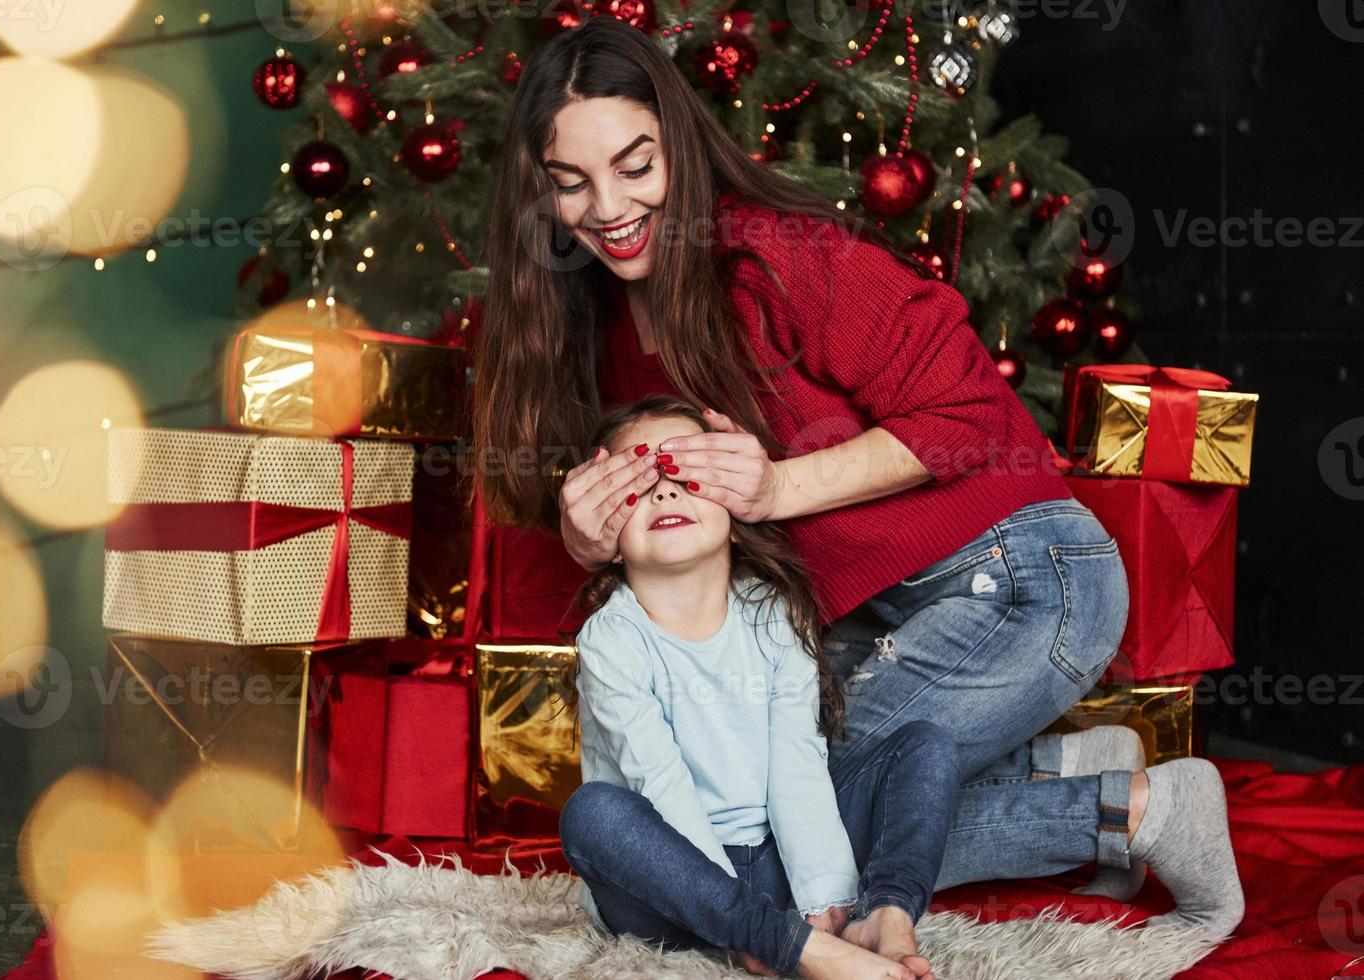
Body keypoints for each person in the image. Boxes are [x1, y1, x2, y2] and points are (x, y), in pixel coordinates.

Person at [473, 15, 1244, 946]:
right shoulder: (587, 323)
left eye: (635, 166)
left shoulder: (776, 257)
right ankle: (1058, 774)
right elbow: (641, 539)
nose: (607, 208)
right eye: (570, 183)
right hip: (860, 623)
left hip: (1024, 580)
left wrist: (775, 490)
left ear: (677, 143)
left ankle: (1132, 813)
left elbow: (968, 412)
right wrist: (585, 535)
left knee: (779, 816)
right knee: (743, 793)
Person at [558, 396, 961, 980]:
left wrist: (823, 901)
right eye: (639, 485)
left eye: (686, 478)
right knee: (592, 814)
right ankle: (789, 946)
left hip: (779, 864)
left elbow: (796, 758)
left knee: (926, 747)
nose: (666, 494)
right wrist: (749, 923)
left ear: (735, 513)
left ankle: (885, 914)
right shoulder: (611, 639)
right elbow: (660, 781)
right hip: (677, 889)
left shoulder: (773, 614)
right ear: (607, 535)